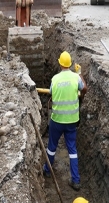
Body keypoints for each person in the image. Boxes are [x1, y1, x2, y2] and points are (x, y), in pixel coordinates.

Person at [43, 51, 87, 191]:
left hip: (57, 120)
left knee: (51, 147)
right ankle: (76, 180)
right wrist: (79, 73)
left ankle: (47, 170)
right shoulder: (75, 77)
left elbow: (50, 93)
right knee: (72, 150)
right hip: (72, 121)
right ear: (70, 64)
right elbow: (84, 88)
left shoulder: (55, 79)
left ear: (60, 63)